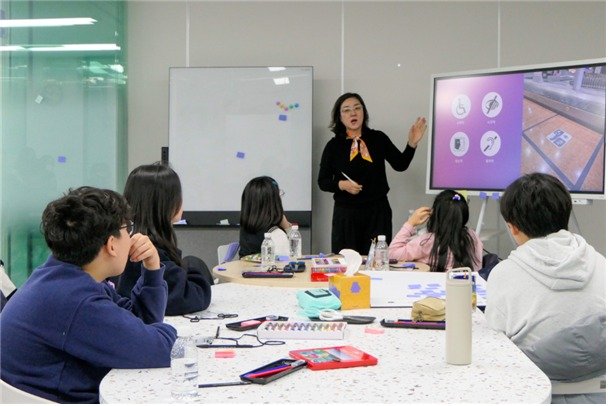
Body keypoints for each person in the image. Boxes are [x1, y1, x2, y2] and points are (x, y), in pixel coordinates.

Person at [0, 187, 176, 403]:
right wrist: (171, 332)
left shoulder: (59, 274)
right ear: (111, 245)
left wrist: (152, 268)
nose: (132, 237)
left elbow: (140, 321)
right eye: (128, 229)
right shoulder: (75, 299)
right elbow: (160, 349)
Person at [485, 173, 605, 401]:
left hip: (531, 392)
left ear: (513, 228)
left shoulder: (503, 274)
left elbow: (495, 347)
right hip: (599, 391)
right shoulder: (601, 262)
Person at [318, 92, 427, 255]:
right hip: (346, 215)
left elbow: (400, 164)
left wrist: (411, 144)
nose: (353, 113)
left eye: (357, 108)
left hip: (377, 213)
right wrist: (342, 185)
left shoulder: (378, 138)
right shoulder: (333, 146)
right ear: (339, 117)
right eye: (346, 110)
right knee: (347, 261)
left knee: (378, 260)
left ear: (364, 112)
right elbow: (323, 181)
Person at [115, 163, 212, 316]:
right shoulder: (147, 251)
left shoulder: (126, 240)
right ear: (167, 203)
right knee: (194, 262)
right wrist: (191, 266)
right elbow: (193, 296)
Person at [388, 190, 483, 272]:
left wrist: (410, 223)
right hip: (469, 285)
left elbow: (392, 253)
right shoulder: (473, 237)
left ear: (435, 216)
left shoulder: (427, 242)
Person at [239, 176, 291, 258]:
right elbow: (292, 260)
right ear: (274, 202)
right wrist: (288, 230)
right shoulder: (277, 234)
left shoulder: (245, 231)